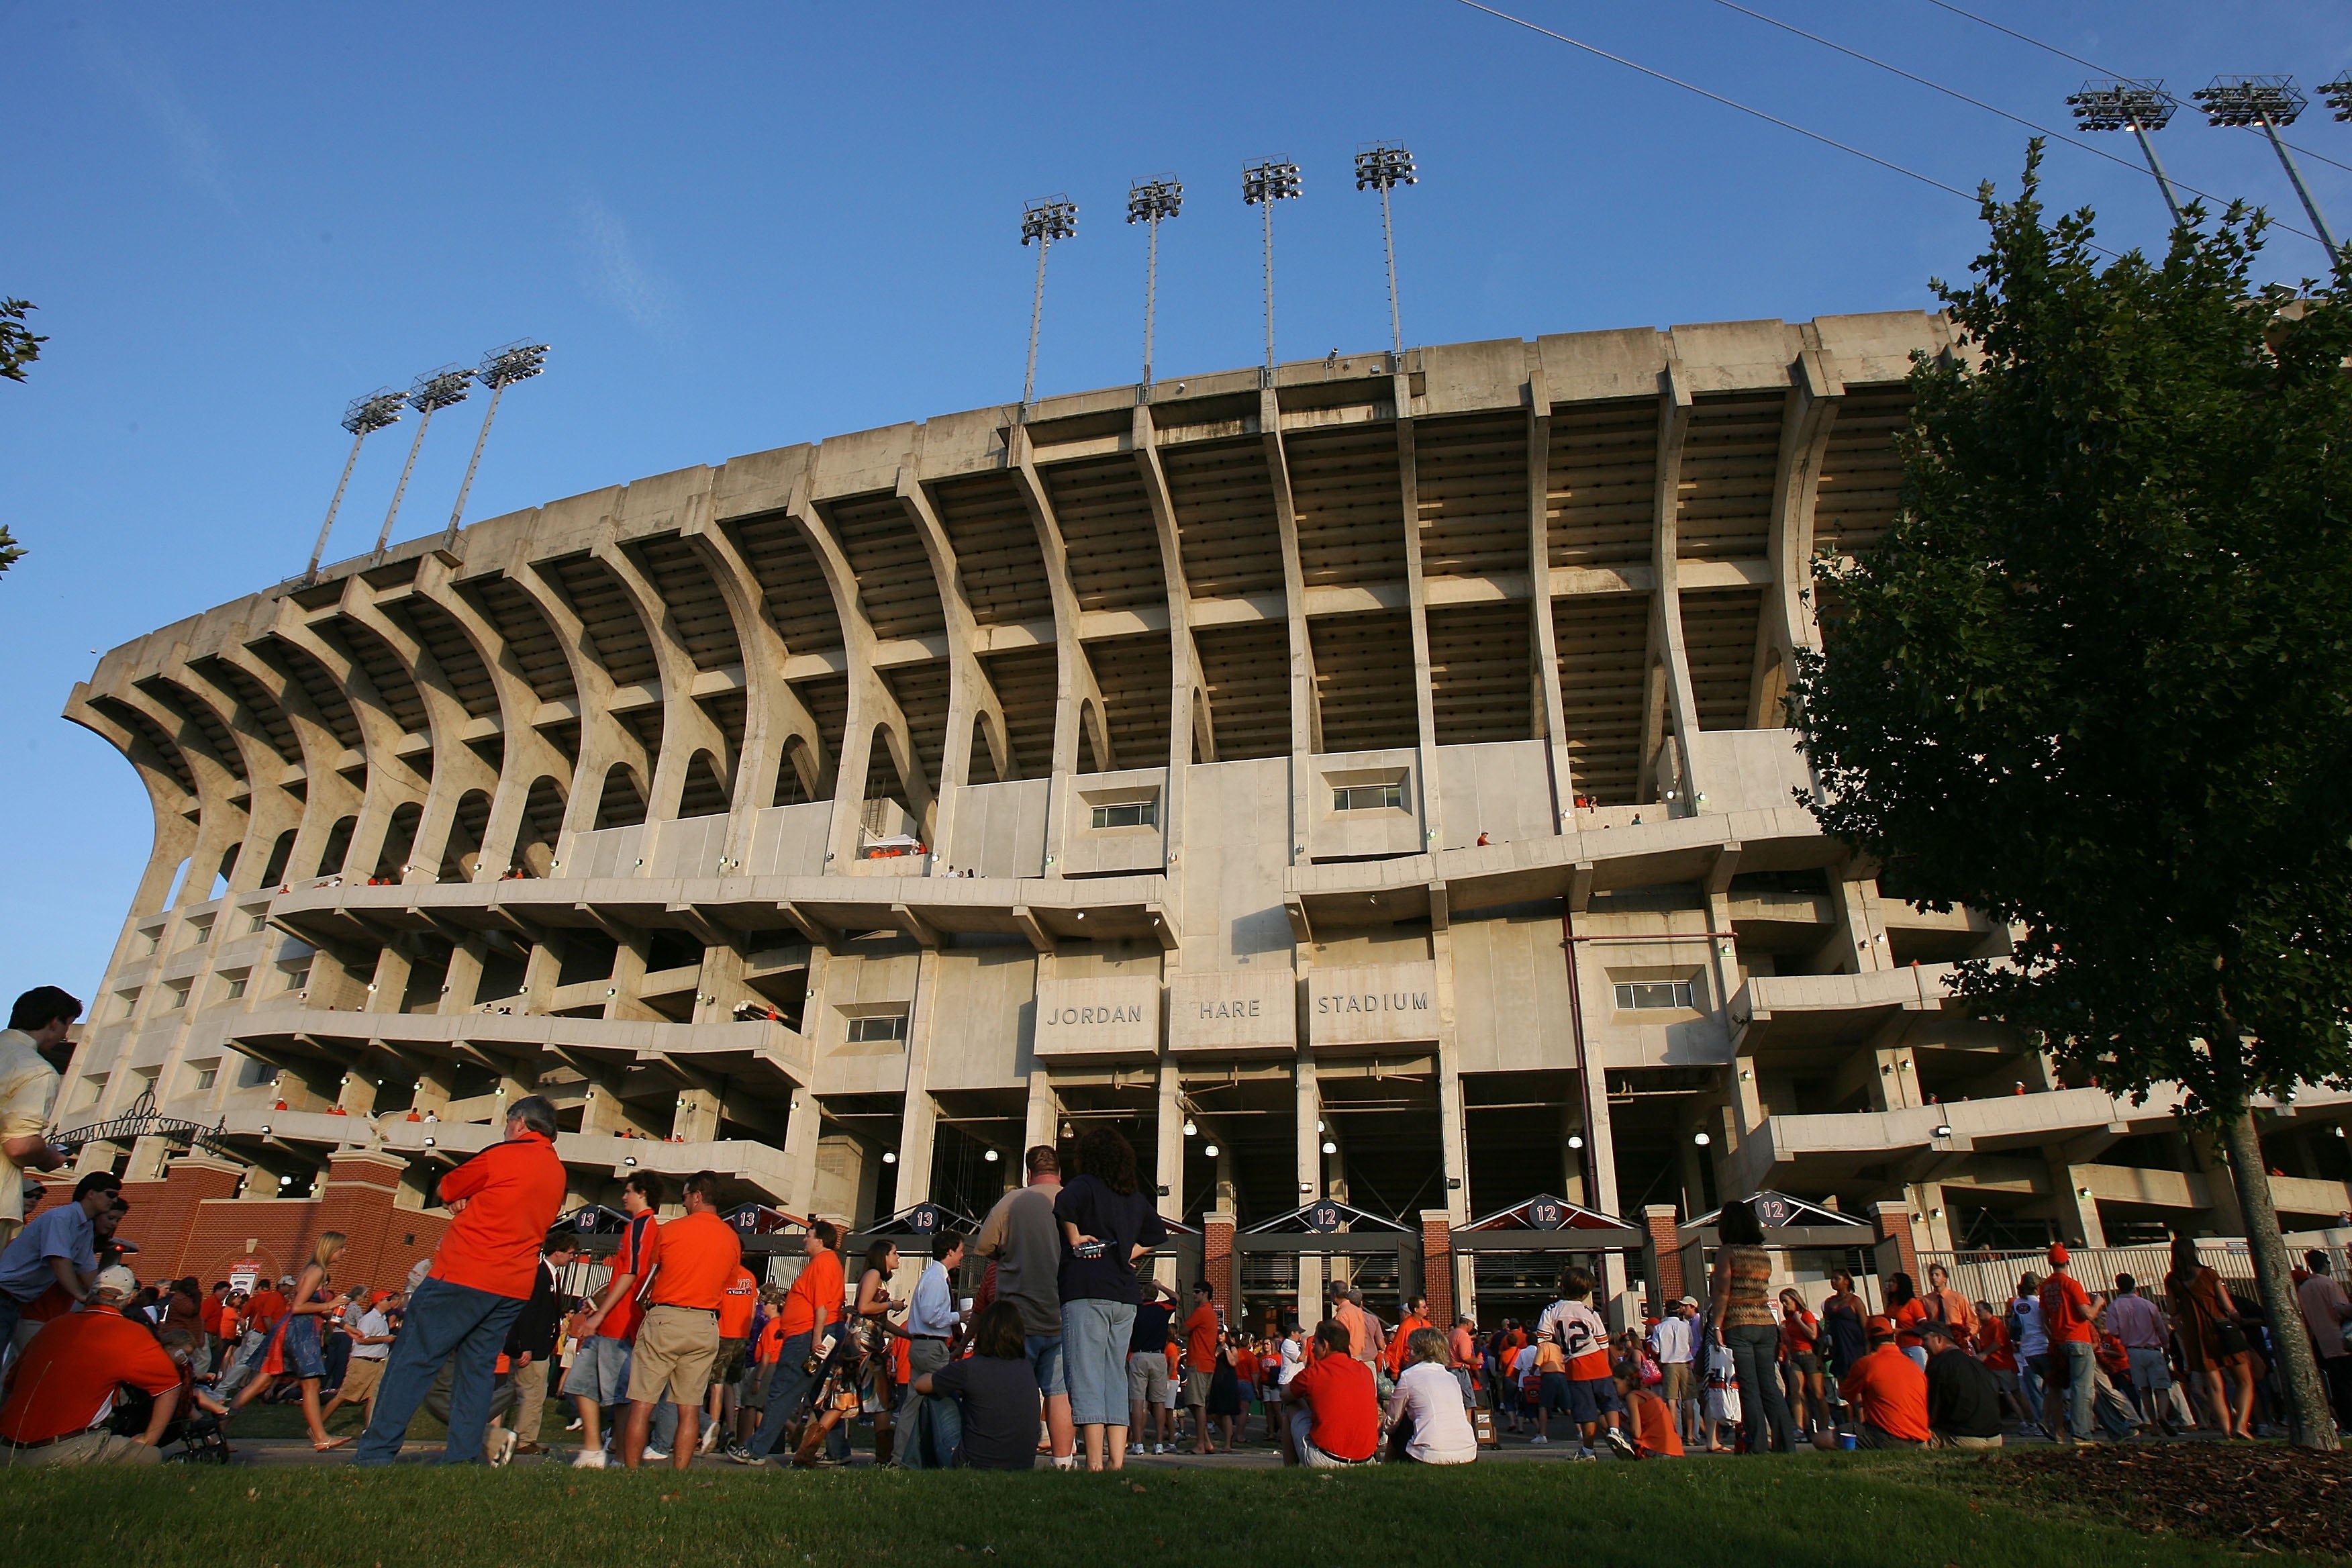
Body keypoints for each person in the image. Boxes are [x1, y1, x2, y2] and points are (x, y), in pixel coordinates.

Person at [355, 1093, 567, 1467]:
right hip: (512, 1286)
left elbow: (447, 1187)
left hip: (464, 1273)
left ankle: (376, 1454)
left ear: (519, 1123)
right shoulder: (556, 1172)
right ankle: (463, 1457)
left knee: (412, 1362)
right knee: (477, 1374)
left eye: (507, 1123)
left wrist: (464, 1197)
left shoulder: (502, 1154)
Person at [1055, 1124, 1166, 1471]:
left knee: (1087, 1374)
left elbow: (1063, 1207)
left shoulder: (1083, 1185)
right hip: (1124, 1294)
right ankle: (1117, 1461)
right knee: (1115, 1375)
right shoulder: (1133, 1196)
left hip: (1086, 1288)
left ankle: (1093, 1462)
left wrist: (1074, 1238)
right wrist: (1128, 1253)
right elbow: (1157, 1233)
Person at [0, 1263, 180, 1465]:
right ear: (129, 1299)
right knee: (149, 1455)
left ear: (92, 1292)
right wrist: (149, 1438)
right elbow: (170, 1387)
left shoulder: (52, 1326)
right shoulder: (132, 1334)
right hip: (63, 1449)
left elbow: (10, 1385)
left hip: (7, 1447)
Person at [622, 1171, 740, 1470]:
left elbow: (652, 1270)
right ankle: (680, 1472)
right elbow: (729, 1280)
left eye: (685, 1196)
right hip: (704, 1323)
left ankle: (631, 1470)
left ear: (697, 1196)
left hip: (667, 1316)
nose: (684, 1201)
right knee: (690, 1407)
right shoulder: (731, 1238)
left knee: (642, 1403)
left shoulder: (673, 1230)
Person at [976, 1144, 1072, 1465]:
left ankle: (1017, 1457)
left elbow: (984, 1245)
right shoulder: (1073, 1200)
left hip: (1018, 1316)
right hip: (1062, 1313)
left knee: (1020, 1390)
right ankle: (1063, 1461)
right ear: (1060, 1172)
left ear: (1028, 1173)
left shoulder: (1012, 1201)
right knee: (1059, 1394)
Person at [562, 1169, 663, 1468]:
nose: (623, 1197)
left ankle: (618, 1454)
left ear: (643, 1194)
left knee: (618, 1396)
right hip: (611, 1322)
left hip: (620, 1325)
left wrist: (602, 1312)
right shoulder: (638, 1226)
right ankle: (594, 1448)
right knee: (581, 1385)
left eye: (628, 1191)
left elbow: (632, 1273)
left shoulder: (643, 1226)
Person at [230, 1230, 351, 1451]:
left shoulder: (319, 1272)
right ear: (330, 1249)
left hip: (300, 1331)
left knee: (261, 1383)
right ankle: (320, 1435)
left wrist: (347, 1327)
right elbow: (298, 1307)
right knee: (310, 1383)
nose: (344, 1252)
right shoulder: (316, 1271)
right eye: (342, 1248)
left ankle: (218, 1428)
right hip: (296, 1333)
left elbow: (314, 1309)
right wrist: (330, 1305)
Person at [739, 1220, 846, 1465]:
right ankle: (839, 1450)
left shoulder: (821, 1263)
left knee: (782, 1391)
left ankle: (756, 1450)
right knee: (819, 1393)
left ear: (820, 1239)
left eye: (808, 1235)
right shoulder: (831, 1263)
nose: (804, 1239)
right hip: (815, 1332)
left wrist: (816, 1337)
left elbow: (820, 1304)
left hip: (807, 1335)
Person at [1708, 1197, 1796, 1453]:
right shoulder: (1762, 1254)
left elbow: (1723, 1291)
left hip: (1738, 1321)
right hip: (1766, 1322)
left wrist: (1717, 1326)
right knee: (1770, 1385)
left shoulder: (1728, 1252)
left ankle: (1757, 1445)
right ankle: (1785, 1444)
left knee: (1749, 1387)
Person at [0, 1171, 119, 1355]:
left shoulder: (85, 1226)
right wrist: (81, 1296)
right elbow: (58, 1259)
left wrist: (104, 1299)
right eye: (111, 1194)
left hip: (14, 1302)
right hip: (4, 1294)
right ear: (91, 1193)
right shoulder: (61, 1218)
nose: (114, 1200)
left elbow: (87, 1269)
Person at [914, 1300, 1039, 1470]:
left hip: (974, 1463)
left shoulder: (970, 1368)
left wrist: (948, 1382)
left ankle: (917, 1465)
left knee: (935, 1396)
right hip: (1021, 1464)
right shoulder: (1026, 1368)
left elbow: (920, 1385)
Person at [0, 988, 77, 1254]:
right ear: (54, 1022)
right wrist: (48, 1158)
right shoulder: (37, 1071)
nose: (66, 1035)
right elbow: (19, 1146)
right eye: (67, 1024)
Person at [822, 1238, 905, 1469]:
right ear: (883, 1256)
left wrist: (908, 1335)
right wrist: (892, 1305)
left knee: (843, 1399)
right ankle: (883, 1458)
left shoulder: (876, 1278)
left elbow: (882, 1322)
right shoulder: (874, 1275)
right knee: (882, 1400)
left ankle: (807, 1450)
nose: (898, 1257)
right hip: (865, 1346)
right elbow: (865, 1308)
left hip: (861, 1344)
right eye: (895, 1253)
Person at [1538, 1266, 1636, 1460]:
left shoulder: (1551, 1310)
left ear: (1563, 1288)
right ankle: (1615, 1432)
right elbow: (1602, 1341)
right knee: (1609, 1402)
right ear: (1586, 1292)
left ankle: (1588, 1450)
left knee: (1586, 1411)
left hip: (1575, 1366)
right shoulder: (1590, 1312)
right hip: (1598, 1362)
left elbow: (1543, 1338)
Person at [2165, 1234, 2255, 1440]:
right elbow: (2227, 1306)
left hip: (2196, 1335)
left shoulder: (2172, 1279)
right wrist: (2239, 1318)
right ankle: (2241, 1425)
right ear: (2194, 1252)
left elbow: (2172, 1309)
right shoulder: (2209, 1274)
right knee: (2245, 1381)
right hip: (2221, 1330)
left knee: (2215, 1387)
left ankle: (2225, 1431)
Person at [496, 1236, 574, 1456]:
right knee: (532, 1393)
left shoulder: (551, 1276)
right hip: (532, 1347)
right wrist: (526, 1346)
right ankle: (523, 1439)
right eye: (569, 1253)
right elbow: (529, 1312)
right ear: (557, 1251)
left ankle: (515, 1433)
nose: (572, 1257)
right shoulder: (540, 1275)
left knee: (519, 1390)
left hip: (540, 1345)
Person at [898, 1230, 966, 1469]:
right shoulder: (937, 1279)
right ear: (949, 1252)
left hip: (921, 1345)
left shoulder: (932, 1276)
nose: (961, 1256)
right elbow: (930, 1315)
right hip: (932, 1346)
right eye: (959, 1251)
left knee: (912, 1404)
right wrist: (959, 1316)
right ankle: (949, 1453)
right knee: (946, 1395)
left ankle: (901, 1456)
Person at [1283, 1318, 1379, 1467]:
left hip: (1327, 1458)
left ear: (1325, 1345)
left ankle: (1290, 1471)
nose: (1313, 1348)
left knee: (1292, 1406)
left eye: (1315, 1344)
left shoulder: (1314, 1373)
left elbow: (1286, 1395)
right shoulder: (1365, 1371)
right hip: (1366, 1459)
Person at [1833, 1315, 1929, 1449]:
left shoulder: (1867, 1363)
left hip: (1887, 1437)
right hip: (1919, 1437)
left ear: (1868, 1340)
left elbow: (1843, 1394)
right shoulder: (1913, 1366)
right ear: (1893, 1336)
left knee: (1822, 1439)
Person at [2039, 1242, 2102, 1444]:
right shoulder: (2072, 1284)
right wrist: (2098, 1303)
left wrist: (2053, 1337)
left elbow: (2043, 1319)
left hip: (2061, 1342)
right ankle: (2081, 1433)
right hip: (2079, 1339)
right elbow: (2087, 1314)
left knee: (2069, 1388)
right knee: (2083, 1389)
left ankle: (2118, 1427)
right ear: (2067, 1261)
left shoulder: (2046, 1287)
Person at [1385, 1326, 1477, 1463]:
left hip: (1430, 1454)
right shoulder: (1451, 1378)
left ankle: (1389, 1466)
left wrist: (1386, 1430)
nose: (1407, 1354)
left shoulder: (1409, 1376)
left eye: (1410, 1350)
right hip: (1468, 1452)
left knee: (1399, 1424)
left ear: (1419, 1352)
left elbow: (1393, 1419)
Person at [2103, 1273, 2180, 1434]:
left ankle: (2153, 1424)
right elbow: (2161, 1329)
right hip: (2153, 1349)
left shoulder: (2114, 1306)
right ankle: (2163, 1415)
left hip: (2133, 1351)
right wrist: (2166, 1348)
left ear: (2118, 1287)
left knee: (2144, 1389)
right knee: (2161, 1387)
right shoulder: (2148, 1305)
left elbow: (2114, 1331)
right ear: (2134, 1286)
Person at [703, 1250, 757, 1456]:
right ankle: (731, 1430)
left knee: (716, 1384)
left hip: (723, 1333)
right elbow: (752, 1311)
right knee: (730, 1385)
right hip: (741, 1336)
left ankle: (712, 1427)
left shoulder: (723, 1277)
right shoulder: (750, 1278)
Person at [322, 1288, 397, 1431]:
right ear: (379, 1301)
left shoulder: (383, 1319)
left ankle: (368, 1430)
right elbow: (362, 1340)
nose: (391, 1302)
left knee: (373, 1397)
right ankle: (318, 1425)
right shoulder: (369, 1318)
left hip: (378, 1363)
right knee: (344, 1395)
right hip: (362, 1362)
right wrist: (385, 1339)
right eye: (388, 1300)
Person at [2294, 1251, 2352, 1434]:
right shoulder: (2329, 1284)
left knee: (2336, 1386)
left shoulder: (2303, 1288)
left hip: (2320, 1342)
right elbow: (2340, 1310)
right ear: (2326, 1264)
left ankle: (2347, 1423)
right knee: (2349, 1383)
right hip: (2341, 1340)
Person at [1920, 1321, 2002, 1448]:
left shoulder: (1940, 1364)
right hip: (1995, 1436)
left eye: (1925, 1340)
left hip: (1963, 1437)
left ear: (1939, 1338)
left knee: (1911, 1440)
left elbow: (1932, 1407)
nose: (1922, 1345)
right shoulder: (1975, 1364)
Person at [1126, 1279, 1175, 1456]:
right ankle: (1159, 1443)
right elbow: (1176, 1297)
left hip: (1139, 1355)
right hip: (1158, 1356)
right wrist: (1161, 1286)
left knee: (1138, 1401)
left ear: (1143, 1295)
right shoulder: (1163, 1309)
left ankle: (1138, 1443)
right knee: (1159, 1401)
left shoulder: (1135, 1310)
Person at [1647, 1294, 1701, 1446]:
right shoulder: (1686, 1326)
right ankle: (1690, 1435)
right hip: (1685, 1362)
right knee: (1689, 1400)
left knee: (1672, 1400)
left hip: (1669, 1364)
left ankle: (1674, 1435)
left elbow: (1656, 1349)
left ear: (1666, 1311)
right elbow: (1691, 1342)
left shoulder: (1659, 1327)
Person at [1777, 1286, 1822, 1436]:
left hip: (1809, 1355)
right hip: (1796, 1357)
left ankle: (1823, 1424)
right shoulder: (1788, 1321)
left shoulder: (1806, 1315)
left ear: (1795, 1300)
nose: (1784, 1305)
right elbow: (1789, 1341)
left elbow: (1813, 1334)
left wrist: (1799, 1321)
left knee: (1817, 1393)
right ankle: (1800, 1427)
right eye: (1782, 1302)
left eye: (1786, 1301)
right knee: (1796, 1392)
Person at [1181, 1279, 1219, 1453]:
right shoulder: (1210, 1313)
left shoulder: (1202, 1311)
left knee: (1197, 1404)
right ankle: (1207, 1442)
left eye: (1197, 1292)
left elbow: (1184, 1329)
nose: (1194, 1295)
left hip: (1199, 1361)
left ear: (1205, 1294)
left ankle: (1200, 1444)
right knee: (1195, 1403)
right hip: (1206, 1362)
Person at [2009, 1271, 2050, 1429]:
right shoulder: (2040, 1304)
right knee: (2052, 1390)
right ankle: (2057, 1421)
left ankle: (2042, 1423)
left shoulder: (2017, 1304)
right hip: (2044, 1347)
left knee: (2035, 1393)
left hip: (2027, 1352)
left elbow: (2014, 1330)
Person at [1616, 1362, 1683, 1457]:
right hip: (1674, 1448)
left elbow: (1636, 1433)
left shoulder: (1632, 1397)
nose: (1614, 1388)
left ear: (1627, 1380)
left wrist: (1617, 1421)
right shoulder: (1649, 1393)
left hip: (1657, 1449)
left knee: (1604, 1420)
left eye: (1615, 1383)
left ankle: (1629, 1456)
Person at [1920, 1262, 1978, 1351]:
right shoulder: (1925, 1300)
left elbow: (1972, 1320)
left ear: (1945, 1279)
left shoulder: (1957, 1297)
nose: (1934, 1277)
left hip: (1957, 1340)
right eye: (1932, 1275)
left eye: (1937, 1275)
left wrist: (1966, 1337)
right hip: (1937, 1342)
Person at [1885, 1271, 1929, 1367]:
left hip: (1913, 1347)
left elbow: (1924, 1326)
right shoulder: (1892, 1305)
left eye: (1893, 1281)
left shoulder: (1912, 1303)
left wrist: (1902, 1331)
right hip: (1897, 1348)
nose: (1890, 1284)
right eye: (1889, 1281)